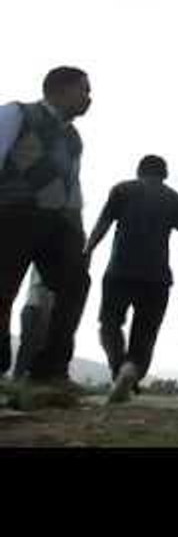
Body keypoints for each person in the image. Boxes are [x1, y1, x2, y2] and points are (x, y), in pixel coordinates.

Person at [0, 66, 92, 386]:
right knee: (3, 290)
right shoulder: (17, 114)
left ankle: (50, 370)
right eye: (84, 89)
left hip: (57, 224)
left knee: (76, 283)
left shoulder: (74, 138)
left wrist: (78, 231)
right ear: (61, 90)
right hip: (12, 215)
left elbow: (72, 187)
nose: (89, 97)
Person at [84, 154, 178, 404]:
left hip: (119, 272)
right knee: (145, 333)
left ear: (139, 171)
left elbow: (103, 223)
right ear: (165, 175)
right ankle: (132, 369)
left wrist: (88, 250)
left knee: (109, 324)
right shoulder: (176, 200)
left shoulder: (122, 190)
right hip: (157, 278)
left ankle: (119, 367)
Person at [12, 267, 56, 380]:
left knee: (30, 346)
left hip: (34, 305)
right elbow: (43, 286)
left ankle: (20, 377)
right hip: (36, 307)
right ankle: (20, 377)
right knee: (31, 346)